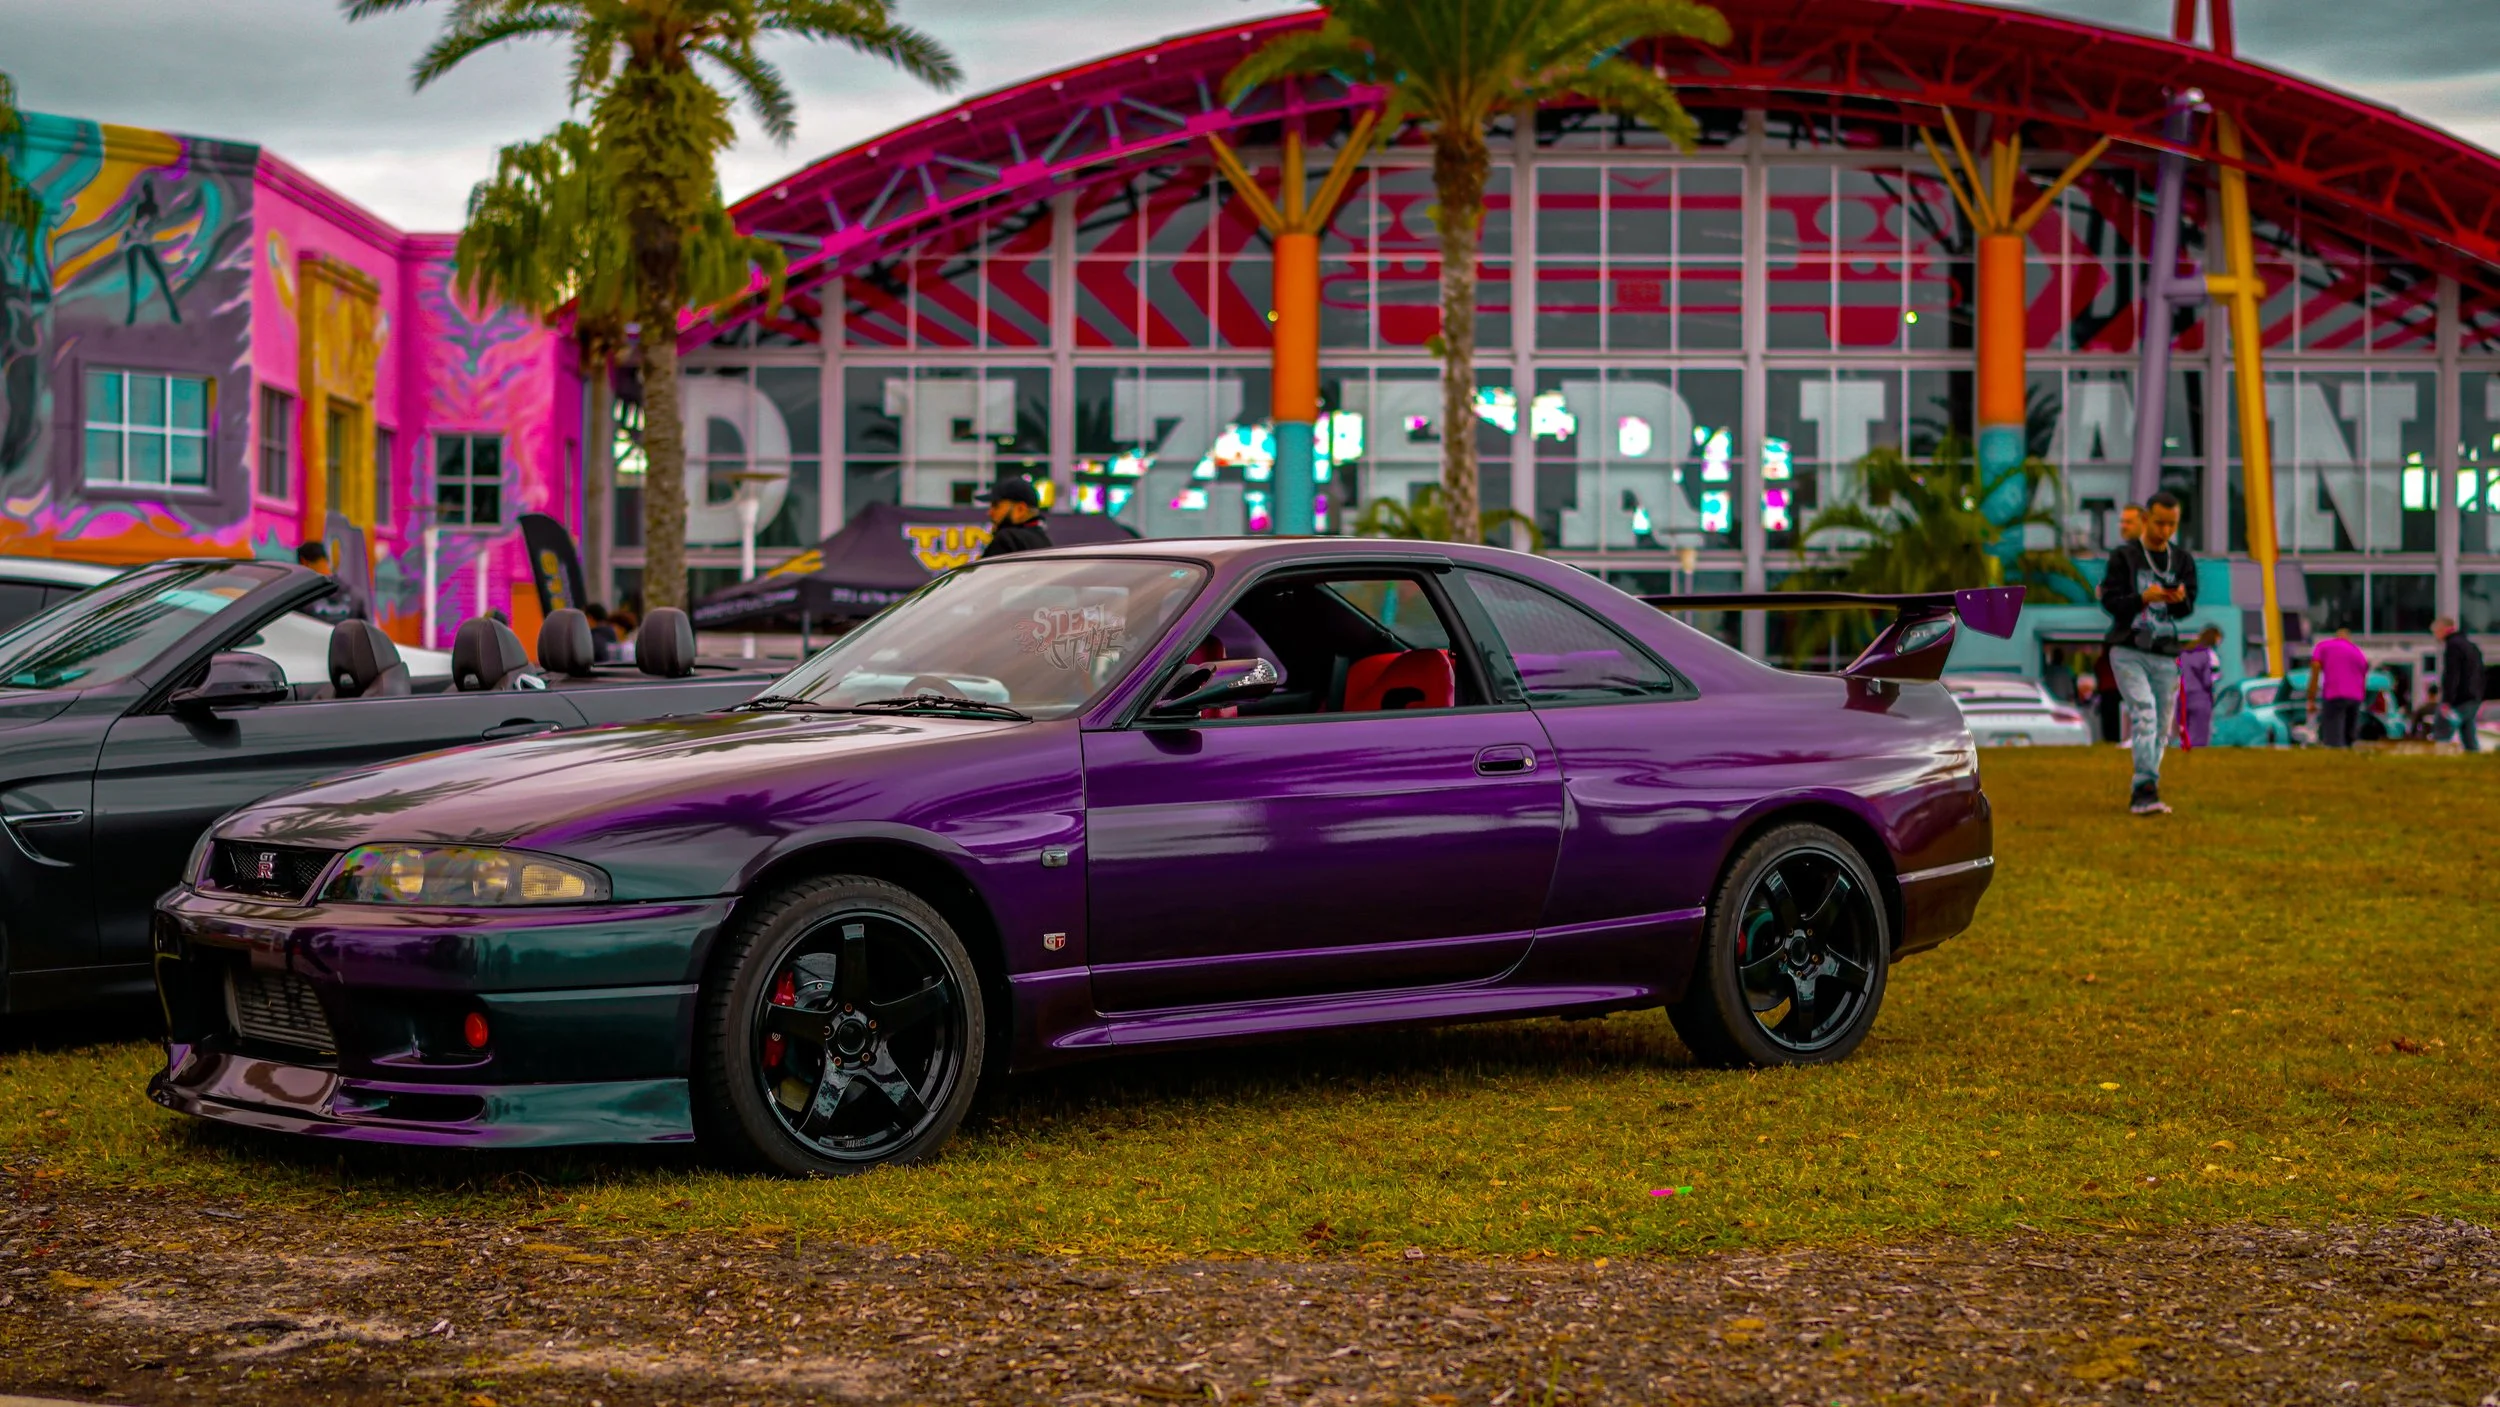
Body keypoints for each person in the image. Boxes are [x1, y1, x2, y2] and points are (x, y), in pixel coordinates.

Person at [2099, 490, 2197, 815]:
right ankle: (2145, 787)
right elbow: (2111, 603)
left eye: (2172, 524)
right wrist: (2143, 597)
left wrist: (2177, 599)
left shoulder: (2181, 560)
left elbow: (2186, 609)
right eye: (2159, 523)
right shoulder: (2124, 557)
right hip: (2129, 648)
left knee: (2161, 727)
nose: (2165, 531)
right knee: (2145, 714)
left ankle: (2146, 785)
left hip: (2166, 651)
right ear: (2145, 520)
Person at [2305, 628, 2370, 748]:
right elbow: (2365, 673)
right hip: (2356, 697)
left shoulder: (2323, 646)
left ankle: (2334, 760)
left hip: (2334, 694)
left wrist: (2311, 698)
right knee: (2349, 738)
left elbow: (2315, 669)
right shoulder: (2357, 652)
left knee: (2333, 738)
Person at [2432, 615, 2486, 753]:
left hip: (2460, 697)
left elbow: (2452, 675)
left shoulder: (2453, 646)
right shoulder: (2470, 645)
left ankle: (2440, 755)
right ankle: (2473, 755)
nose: (2435, 636)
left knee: (2442, 726)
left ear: (2444, 629)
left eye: (2435, 632)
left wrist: (2447, 700)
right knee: (2467, 731)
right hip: (2473, 696)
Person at [978, 477, 1053, 557]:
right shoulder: (1045, 542)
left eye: (996, 505)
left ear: (1020, 509)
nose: (989, 512)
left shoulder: (1007, 539)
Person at [2178, 624, 2222, 749]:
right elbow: (2209, 680)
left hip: (2182, 696)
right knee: (2199, 737)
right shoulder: (2209, 655)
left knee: (2185, 735)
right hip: (2200, 697)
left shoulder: (2184, 653)